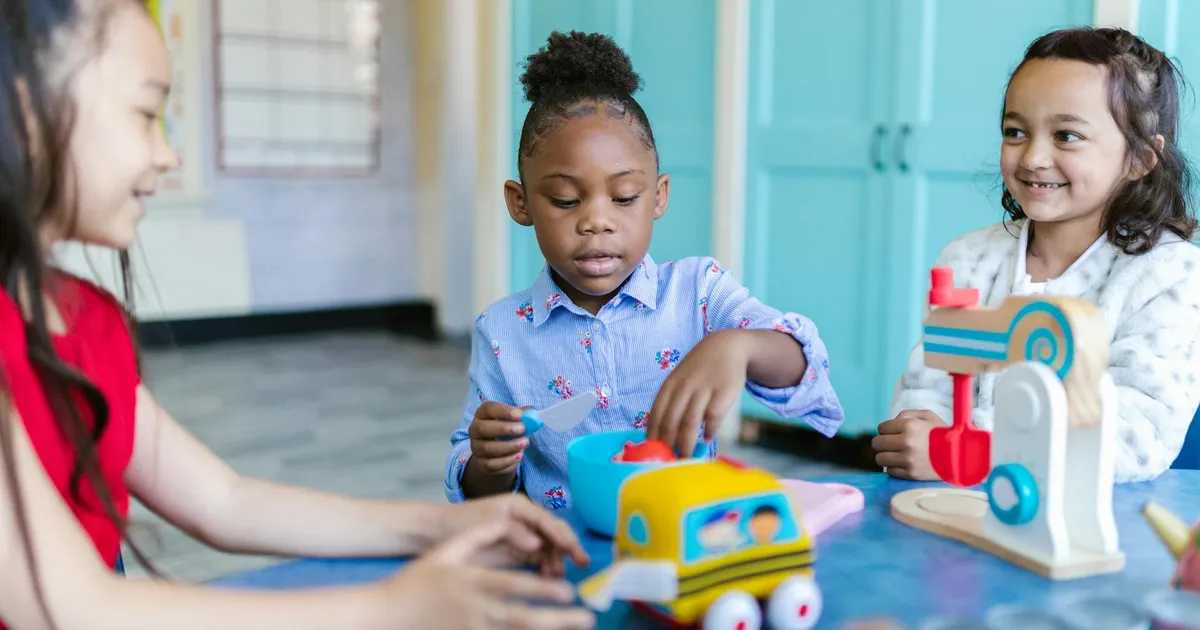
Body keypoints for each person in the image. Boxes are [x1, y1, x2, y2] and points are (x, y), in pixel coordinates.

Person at [0, 2, 596, 629]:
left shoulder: (87, 320)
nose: (167, 155)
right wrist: (394, 608)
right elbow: (66, 606)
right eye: (147, 115)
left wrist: (446, 525)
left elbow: (223, 503)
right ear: (25, 110)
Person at [445, 31, 844, 509]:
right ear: (521, 202)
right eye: (566, 200)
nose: (596, 220)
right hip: (563, 555)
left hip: (681, 542)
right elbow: (474, 485)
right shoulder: (502, 331)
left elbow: (806, 363)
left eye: (625, 197)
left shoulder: (699, 291)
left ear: (658, 197)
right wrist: (490, 461)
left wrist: (739, 345)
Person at [877, 27, 1200, 484]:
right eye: (1015, 131)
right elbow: (929, 385)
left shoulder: (1172, 274)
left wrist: (974, 452)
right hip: (961, 510)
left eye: (1066, 135)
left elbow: (1137, 435)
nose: (1032, 156)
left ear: (1140, 158)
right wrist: (918, 431)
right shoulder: (969, 258)